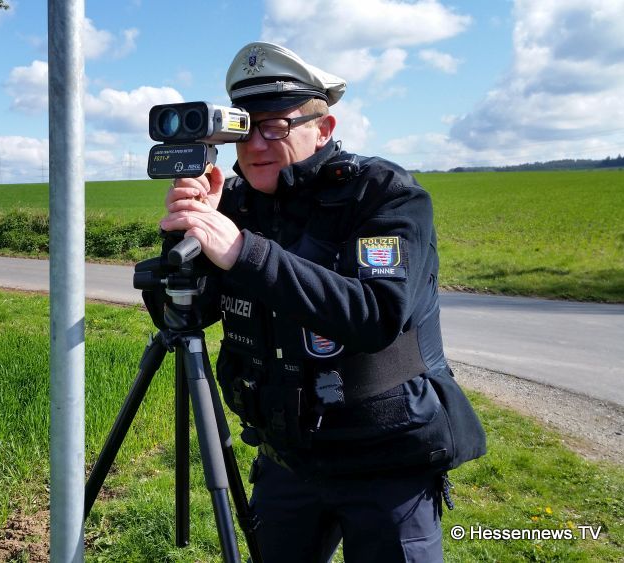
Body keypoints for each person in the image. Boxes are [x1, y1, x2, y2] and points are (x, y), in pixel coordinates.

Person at [158, 41, 486, 562]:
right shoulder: (235, 202)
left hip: (387, 460)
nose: (255, 145)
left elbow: (376, 314)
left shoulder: (382, 194)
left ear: (325, 128)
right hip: (286, 456)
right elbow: (186, 317)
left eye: (275, 127)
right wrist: (186, 234)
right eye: (245, 128)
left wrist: (243, 251)